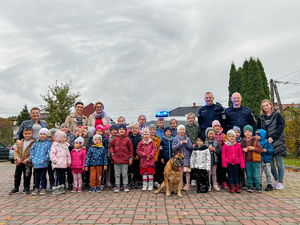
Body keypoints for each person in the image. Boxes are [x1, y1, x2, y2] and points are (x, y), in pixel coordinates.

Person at [257, 99, 286, 190]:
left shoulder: (277, 115)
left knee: (279, 163)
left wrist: (273, 137)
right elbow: (259, 130)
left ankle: (281, 181)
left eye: (267, 105)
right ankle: (276, 180)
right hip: (266, 144)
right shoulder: (261, 117)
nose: (265, 107)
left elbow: (280, 128)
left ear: (271, 105)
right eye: (263, 106)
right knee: (271, 164)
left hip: (277, 142)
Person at [10, 128, 35, 195]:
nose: (27, 135)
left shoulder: (34, 143)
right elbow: (16, 151)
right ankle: (16, 187)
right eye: (25, 134)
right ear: (23, 134)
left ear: (32, 134)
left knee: (27, 175)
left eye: (29, 134)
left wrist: (28, 159)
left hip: (27, 163)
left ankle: (26, 187)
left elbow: (33, 153)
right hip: (19, 162)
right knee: (17, 175)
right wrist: (17, 158)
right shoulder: (20, 142)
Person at [109, 124, 133, 193]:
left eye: (123, 129)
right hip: (116, 160)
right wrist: (112, 153)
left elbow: (131, 149)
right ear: (118, 131)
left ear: (125, 130)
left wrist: (130, 158)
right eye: (120, 129)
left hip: (125, 160)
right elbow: (110, 146)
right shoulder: (115, 139)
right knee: (117, 174)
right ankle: (117, 186)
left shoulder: (127, 139)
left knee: (124, 174)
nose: (121, 130)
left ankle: (125, 186)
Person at [30, 128, 52, 195]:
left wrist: (45, 159)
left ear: (47, 135)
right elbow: (32, 151)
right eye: (41, 134)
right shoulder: (36, 143)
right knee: (36, 176)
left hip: (43, 163)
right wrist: (32, 159)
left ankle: (43, 188)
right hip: (36, 163)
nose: (42, 135)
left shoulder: (49, 144)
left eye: (44, 134)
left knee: (43, 176)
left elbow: (49, 152)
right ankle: (36, 187)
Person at [241, 125, 263, 193]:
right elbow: (239, 149)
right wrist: (243, 149)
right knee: (248, 174)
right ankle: (250, 185)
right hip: (247, 160)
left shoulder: (255, 140)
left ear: (252, 133)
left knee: (256, 174)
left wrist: (253, 148)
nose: (247, 133)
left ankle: (257, 186)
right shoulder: (242, 141)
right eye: (246, 132)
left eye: (249, 132)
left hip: (255, 160)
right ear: (244, 133)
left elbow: (260, 149)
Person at [50, 130, 71, 195]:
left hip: (63, 164)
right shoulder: (55, 145)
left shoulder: (65, 146)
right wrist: (55, 161)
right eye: (64, 137)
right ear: (59, 138)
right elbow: (52, 154)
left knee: (62, 176)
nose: (65, 139)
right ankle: (56, 188)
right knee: (57, 176)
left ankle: (61, 187)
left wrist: (68, 162)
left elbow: (68, 154)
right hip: (57, 164)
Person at [172, 125, 193, 191]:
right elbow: (174, 148)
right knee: (180, 171)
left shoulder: (187, 138)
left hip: (186, 157)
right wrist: (179, 144)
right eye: (180, 129)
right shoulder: (175, 138)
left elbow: (191, 147)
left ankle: (187, 184)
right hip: (179, 159)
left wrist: (186, 143)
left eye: (183, 129)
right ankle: (180, 183)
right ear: (178, 131)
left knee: (187, 171)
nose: (182, 131)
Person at [212, 120, 228, 189]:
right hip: (215, 153)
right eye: (215, 126)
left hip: (222, 154)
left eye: (218, 126)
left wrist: (225, 142)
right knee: (216, 169)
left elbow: (226, 144)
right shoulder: (212, 135)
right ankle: (217, 181)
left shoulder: (223, 135)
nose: (217, 127)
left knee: (223, 168)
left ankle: (224, 181)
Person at [128, 124, 143, 189]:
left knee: (137, 169)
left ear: (138, 130)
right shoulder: (128, 137)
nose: (134, 130)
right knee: (131, 169)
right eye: (133, 128)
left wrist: (139, 155)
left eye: (136, 128)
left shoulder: (140, 137)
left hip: (138, 156)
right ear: (131, 130)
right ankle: (132, 181)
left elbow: (142, 147)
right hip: (131, 156)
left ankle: (136, 180)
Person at [60, 123, 74, 190]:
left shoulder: (71, 136)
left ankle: (70, 183)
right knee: (62, 170)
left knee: (69, 170)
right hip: (61, 156)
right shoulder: (59, 136)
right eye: (63, 127)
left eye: (66, 127)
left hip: (68, 155)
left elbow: (72, 145)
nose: (64, 128)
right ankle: (62, 183)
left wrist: (67, 143)